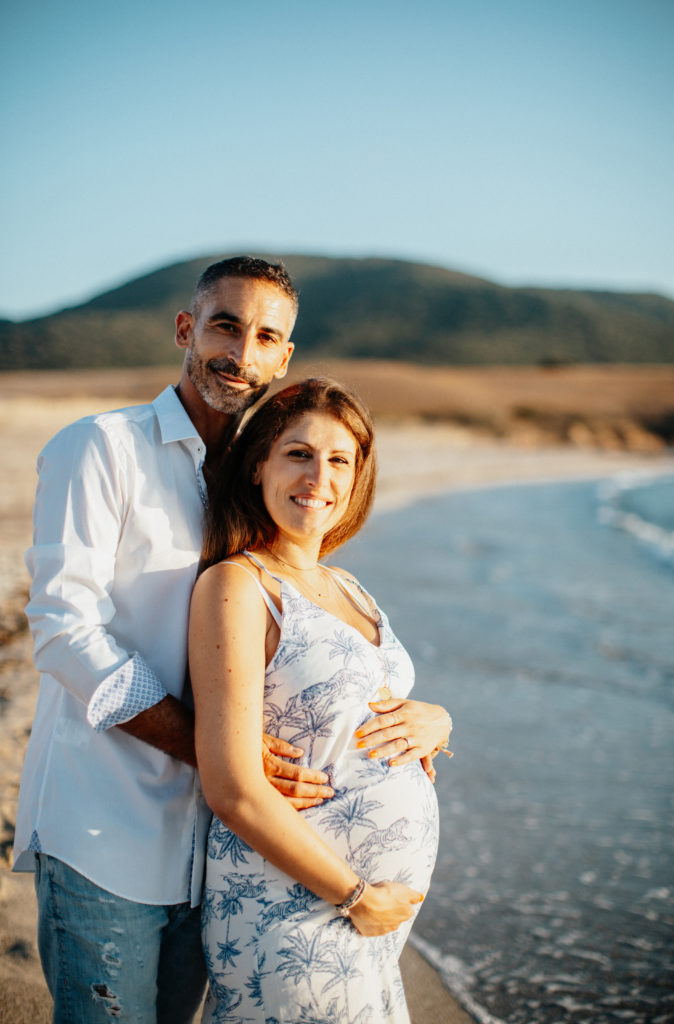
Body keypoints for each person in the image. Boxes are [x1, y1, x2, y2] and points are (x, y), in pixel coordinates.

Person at [13, 257, 448, 1023]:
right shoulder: (104, 448)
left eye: (266, 338)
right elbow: (60, 630)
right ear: (187, 329)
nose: (240, 353)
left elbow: (304, 657)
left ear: (284, 358)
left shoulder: (259, 482)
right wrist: (216, 752)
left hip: (219, 856)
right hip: (105, 826)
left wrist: (431, 719)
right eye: (224, 325)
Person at [190, 377, 452, 1023]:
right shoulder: (238, 584)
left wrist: (439, 720)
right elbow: (231, 787)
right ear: (258, 466)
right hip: (297, 904)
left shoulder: (349, 586)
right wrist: (355, 893)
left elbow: (369, 706)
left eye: (339, 460)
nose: (319, 477)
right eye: (298, 454)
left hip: (368, 915)